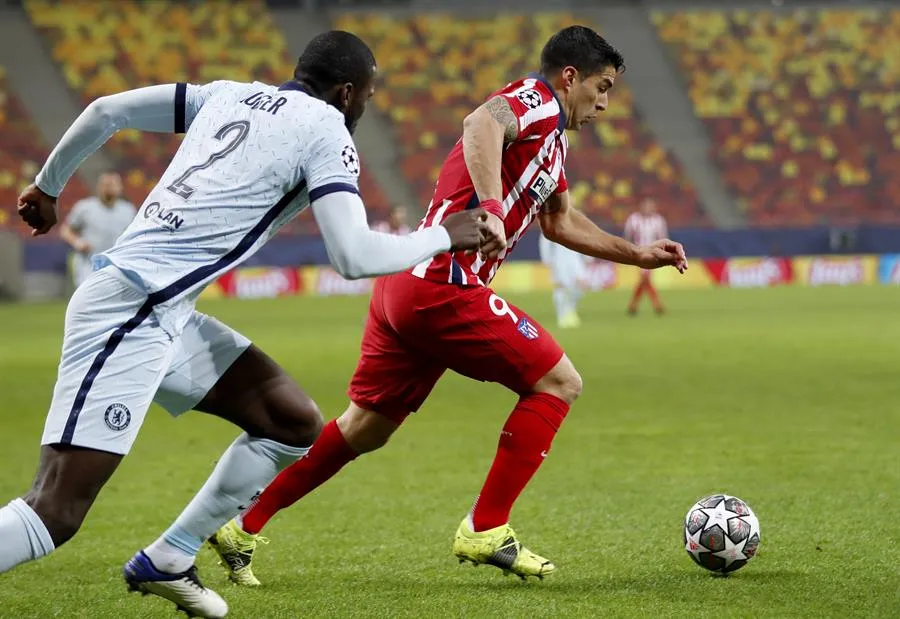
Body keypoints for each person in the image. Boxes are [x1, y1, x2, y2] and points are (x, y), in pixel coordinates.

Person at [1, 30, 488, 619]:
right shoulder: (327, 130)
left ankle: (170, 558)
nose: (366, 109)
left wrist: (47, 186)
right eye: (368, 97)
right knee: (56, 510)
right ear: (348, 92)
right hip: (131, 311)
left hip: (161, 310)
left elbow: (107, 110)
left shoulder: (227, 96)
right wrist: (445, 234)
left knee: (290, 421)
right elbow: (353, 257)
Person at [210, 25, 688, 587]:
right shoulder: (532, 102)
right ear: (569, 77)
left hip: (405, 284)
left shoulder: (553, 147)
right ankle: (486, 526)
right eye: (602, 87)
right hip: (445, 283)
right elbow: (481, 123)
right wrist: (489, 206)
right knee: (559, 382)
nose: (605, 102)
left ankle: (242, 524)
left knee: (366, 426)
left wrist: (636, 253)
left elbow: (558, 221)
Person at [59, 172, 136, 288]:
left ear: (120, 188)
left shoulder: (128, 210)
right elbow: (66, 230)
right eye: (105, 184)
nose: (109, 187)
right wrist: (78, 242)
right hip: (88, 265)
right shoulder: (84, 207)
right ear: (99, 187)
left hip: (117, 265)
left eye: (112, 184)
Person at [624, 197, 669, 315]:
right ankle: (656, 304)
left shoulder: (659, 220)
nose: (647, 208)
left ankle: (634, 305)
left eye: (650, 206)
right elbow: (628, 237)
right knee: (645, 278)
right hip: (638, 252)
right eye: (645, 205)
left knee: (645, 279)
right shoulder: (633, 219)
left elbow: (663, 238)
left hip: (653, 253)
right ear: (641, 207)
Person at [539, 230, 588, 328]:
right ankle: (561, 317)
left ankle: (571, 311)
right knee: (561, 287)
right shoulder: (552, 222)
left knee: (581, 286)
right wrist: (547, 259)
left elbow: (584, 239)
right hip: (559, 260)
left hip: (575, 258)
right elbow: (545, 241)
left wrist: (587, 257)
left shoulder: (575, 222)